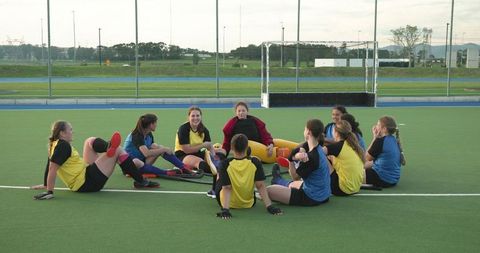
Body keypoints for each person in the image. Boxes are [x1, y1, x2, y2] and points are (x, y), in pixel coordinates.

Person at [32, 120, 159, 200]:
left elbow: (49, 163)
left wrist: (45, 184)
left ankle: (108, 147)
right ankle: (140, 181)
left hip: (84, 176)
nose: (72, 131)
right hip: (87, 183)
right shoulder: (63, 146)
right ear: (62, 133)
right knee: (118, 150)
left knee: (89, 141)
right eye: (70, 129)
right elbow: (52, 168)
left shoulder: (53, 145)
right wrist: (49, 191)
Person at [214, 133, 282, 219]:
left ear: (231, 148)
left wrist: (225, 210)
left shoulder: (225, 163)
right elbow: (260, 186)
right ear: (247, 147)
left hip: (225, 202)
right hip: (249, 203)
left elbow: (227, 188)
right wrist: (269, 206)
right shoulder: (255, 162)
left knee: (218, 174)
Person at [267, 119, 331, 206]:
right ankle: (277, 179)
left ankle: (277, 181)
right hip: (324, 194)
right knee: (293, 184)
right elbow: (301, 148)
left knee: (269, 190)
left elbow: (295, 177)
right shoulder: (319, 148)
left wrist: (291, 160)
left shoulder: (312, 157)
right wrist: (296, 154)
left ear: (308, 132)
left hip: (310, 197)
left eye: (305, 129)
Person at [222, 101, 298, 163]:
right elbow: (227, 142)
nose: (241, 113)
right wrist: (222, 153)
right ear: (236, 112)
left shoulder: (255, 121)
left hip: (261, 145)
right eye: (239, 111)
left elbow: (265, 135)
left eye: (243, 110)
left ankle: (302, 147)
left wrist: (270, 144)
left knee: (275, 141)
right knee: (246, 141)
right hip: (247, 148)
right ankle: (291, 156)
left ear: (247, 111)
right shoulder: (231, 125)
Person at [124, 113, 194, 177]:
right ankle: (165, 173)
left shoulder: (148, 133)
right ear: (151, 124)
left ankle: (183, 167)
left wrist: (166, 149)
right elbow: (146, 153)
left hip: (142, 161)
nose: (156, 125)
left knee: (160, 148)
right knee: (136, 161)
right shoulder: (136, 135)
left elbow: (153, 146)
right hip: (131, 166)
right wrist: (163, 149)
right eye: (155, 123)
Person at [323, 120, 365, 196]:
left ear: (336, 133)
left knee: (321, 156)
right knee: (330, 158)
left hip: (340, 189)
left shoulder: (338, 147)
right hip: (355, 188)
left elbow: (318, 153)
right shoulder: (353, 145)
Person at [364, 116, 404, 188]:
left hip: (382, 179)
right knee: (365, 165)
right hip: (394, 180)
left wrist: (375, 138)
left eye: (378, 125)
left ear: (384, 129)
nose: (375, 126)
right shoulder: (394, 140)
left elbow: (366, 157)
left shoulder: (380, 141)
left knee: (353, 172)